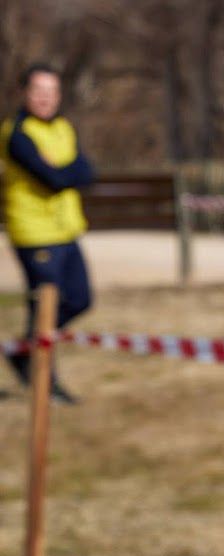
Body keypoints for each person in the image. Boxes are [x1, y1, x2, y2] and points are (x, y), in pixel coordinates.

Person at [2, 62, 96, 404]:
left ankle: (24, 352)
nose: (46, 98)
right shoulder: (16, 134)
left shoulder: (63, 128)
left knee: (81, 299)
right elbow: (54, 179)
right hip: (35, 235)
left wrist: (63, 171)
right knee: (44, 307)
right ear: (25, 93)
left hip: (67, 230)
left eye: (52, 91)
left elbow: (87, 171)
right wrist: (63, 171)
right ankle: (45, 380)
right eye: (39, 91)